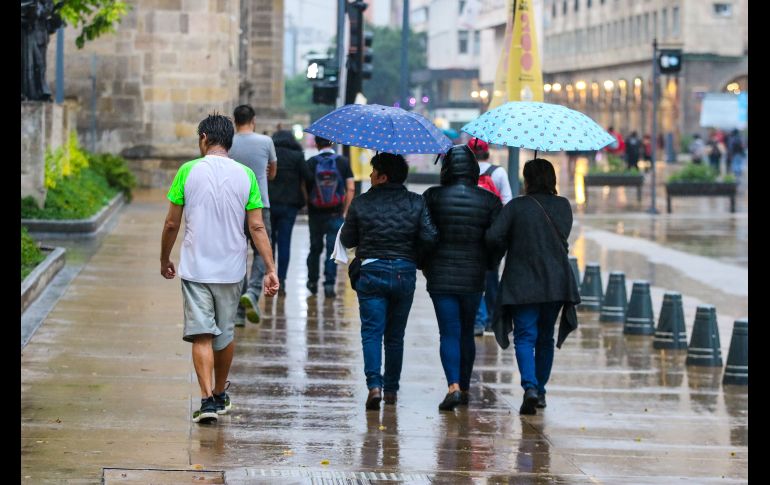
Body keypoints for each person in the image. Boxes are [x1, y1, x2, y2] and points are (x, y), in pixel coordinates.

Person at [160, 113, 279, 424]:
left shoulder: (187, 171)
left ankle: (206, 400)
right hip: (232, 269)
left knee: (201, 333)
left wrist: (164, 258)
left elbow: (172, 222)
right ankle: (219, 392)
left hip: (196, 267)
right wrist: (270, 268)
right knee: (224, 335)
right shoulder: (246, 176)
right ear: (230, 142)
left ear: (203, 139)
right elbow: (257, 227)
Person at [340, 153, 438, 410]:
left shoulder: (361, 203)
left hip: (371, 272)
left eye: (374, 172)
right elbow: (430, 236)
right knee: (395, 336)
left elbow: (348, 239)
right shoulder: (416, 202)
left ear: (383, 176)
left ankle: (375, 385)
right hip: (404, 273)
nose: (370, 176)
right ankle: (392, 390)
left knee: (372, 332)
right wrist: (414, 257)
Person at [486, 158, 580, 415]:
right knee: (545, 337)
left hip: (522, 281)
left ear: (527, 180)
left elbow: (493, 236)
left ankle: (529, 387)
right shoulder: (563, 206)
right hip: (555, 282)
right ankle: (540, 390)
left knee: (525, 336)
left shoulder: (517, 207)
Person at [423, 145, 502, 411]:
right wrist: (489, 265)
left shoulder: (432, 197)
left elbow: (424, 235)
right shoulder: (489, 201)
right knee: (467, 331)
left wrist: (425, 264)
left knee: (448, 331)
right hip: (473, 276)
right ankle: (466, 388)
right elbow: (496, 240)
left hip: (441, 276)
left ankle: (453, 386)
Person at [228, 105, 277, 324]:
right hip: (260, 204)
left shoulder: (229, 142)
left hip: (234, 205)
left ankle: (239, 312)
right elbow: (273, 172)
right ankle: (253, 292)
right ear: (253, 120)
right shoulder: (265, 142)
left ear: (234, 120)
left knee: (238, 253)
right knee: (261, 250)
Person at [467, 137, 511, 337]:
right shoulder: (498, 172)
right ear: (488, 153)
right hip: (494, 236)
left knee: (474, 278)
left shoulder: (466, 173)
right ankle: (492, 320)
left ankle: (478, 319)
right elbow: (507, 204)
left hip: (470, 235)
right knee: (492, 277)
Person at [305, 136, 355, 298]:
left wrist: (309, 204)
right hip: (336, 213)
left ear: (317, 144)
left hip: (316, 214)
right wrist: (345, 211)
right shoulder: (342, 162)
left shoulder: (311, 162)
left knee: (315, 249)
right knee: (331, 252)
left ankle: (312, 282)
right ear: (331, 143)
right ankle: (329, 285)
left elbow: (304, 186)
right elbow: (351, 188)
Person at [268, 130, 312, 295]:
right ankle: (282, 280)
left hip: (270, 203)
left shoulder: (271, 154)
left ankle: (269, 275)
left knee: (269, 243)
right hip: (290, 205)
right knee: (285, 242)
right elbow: (308, 176)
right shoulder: (297, 156)